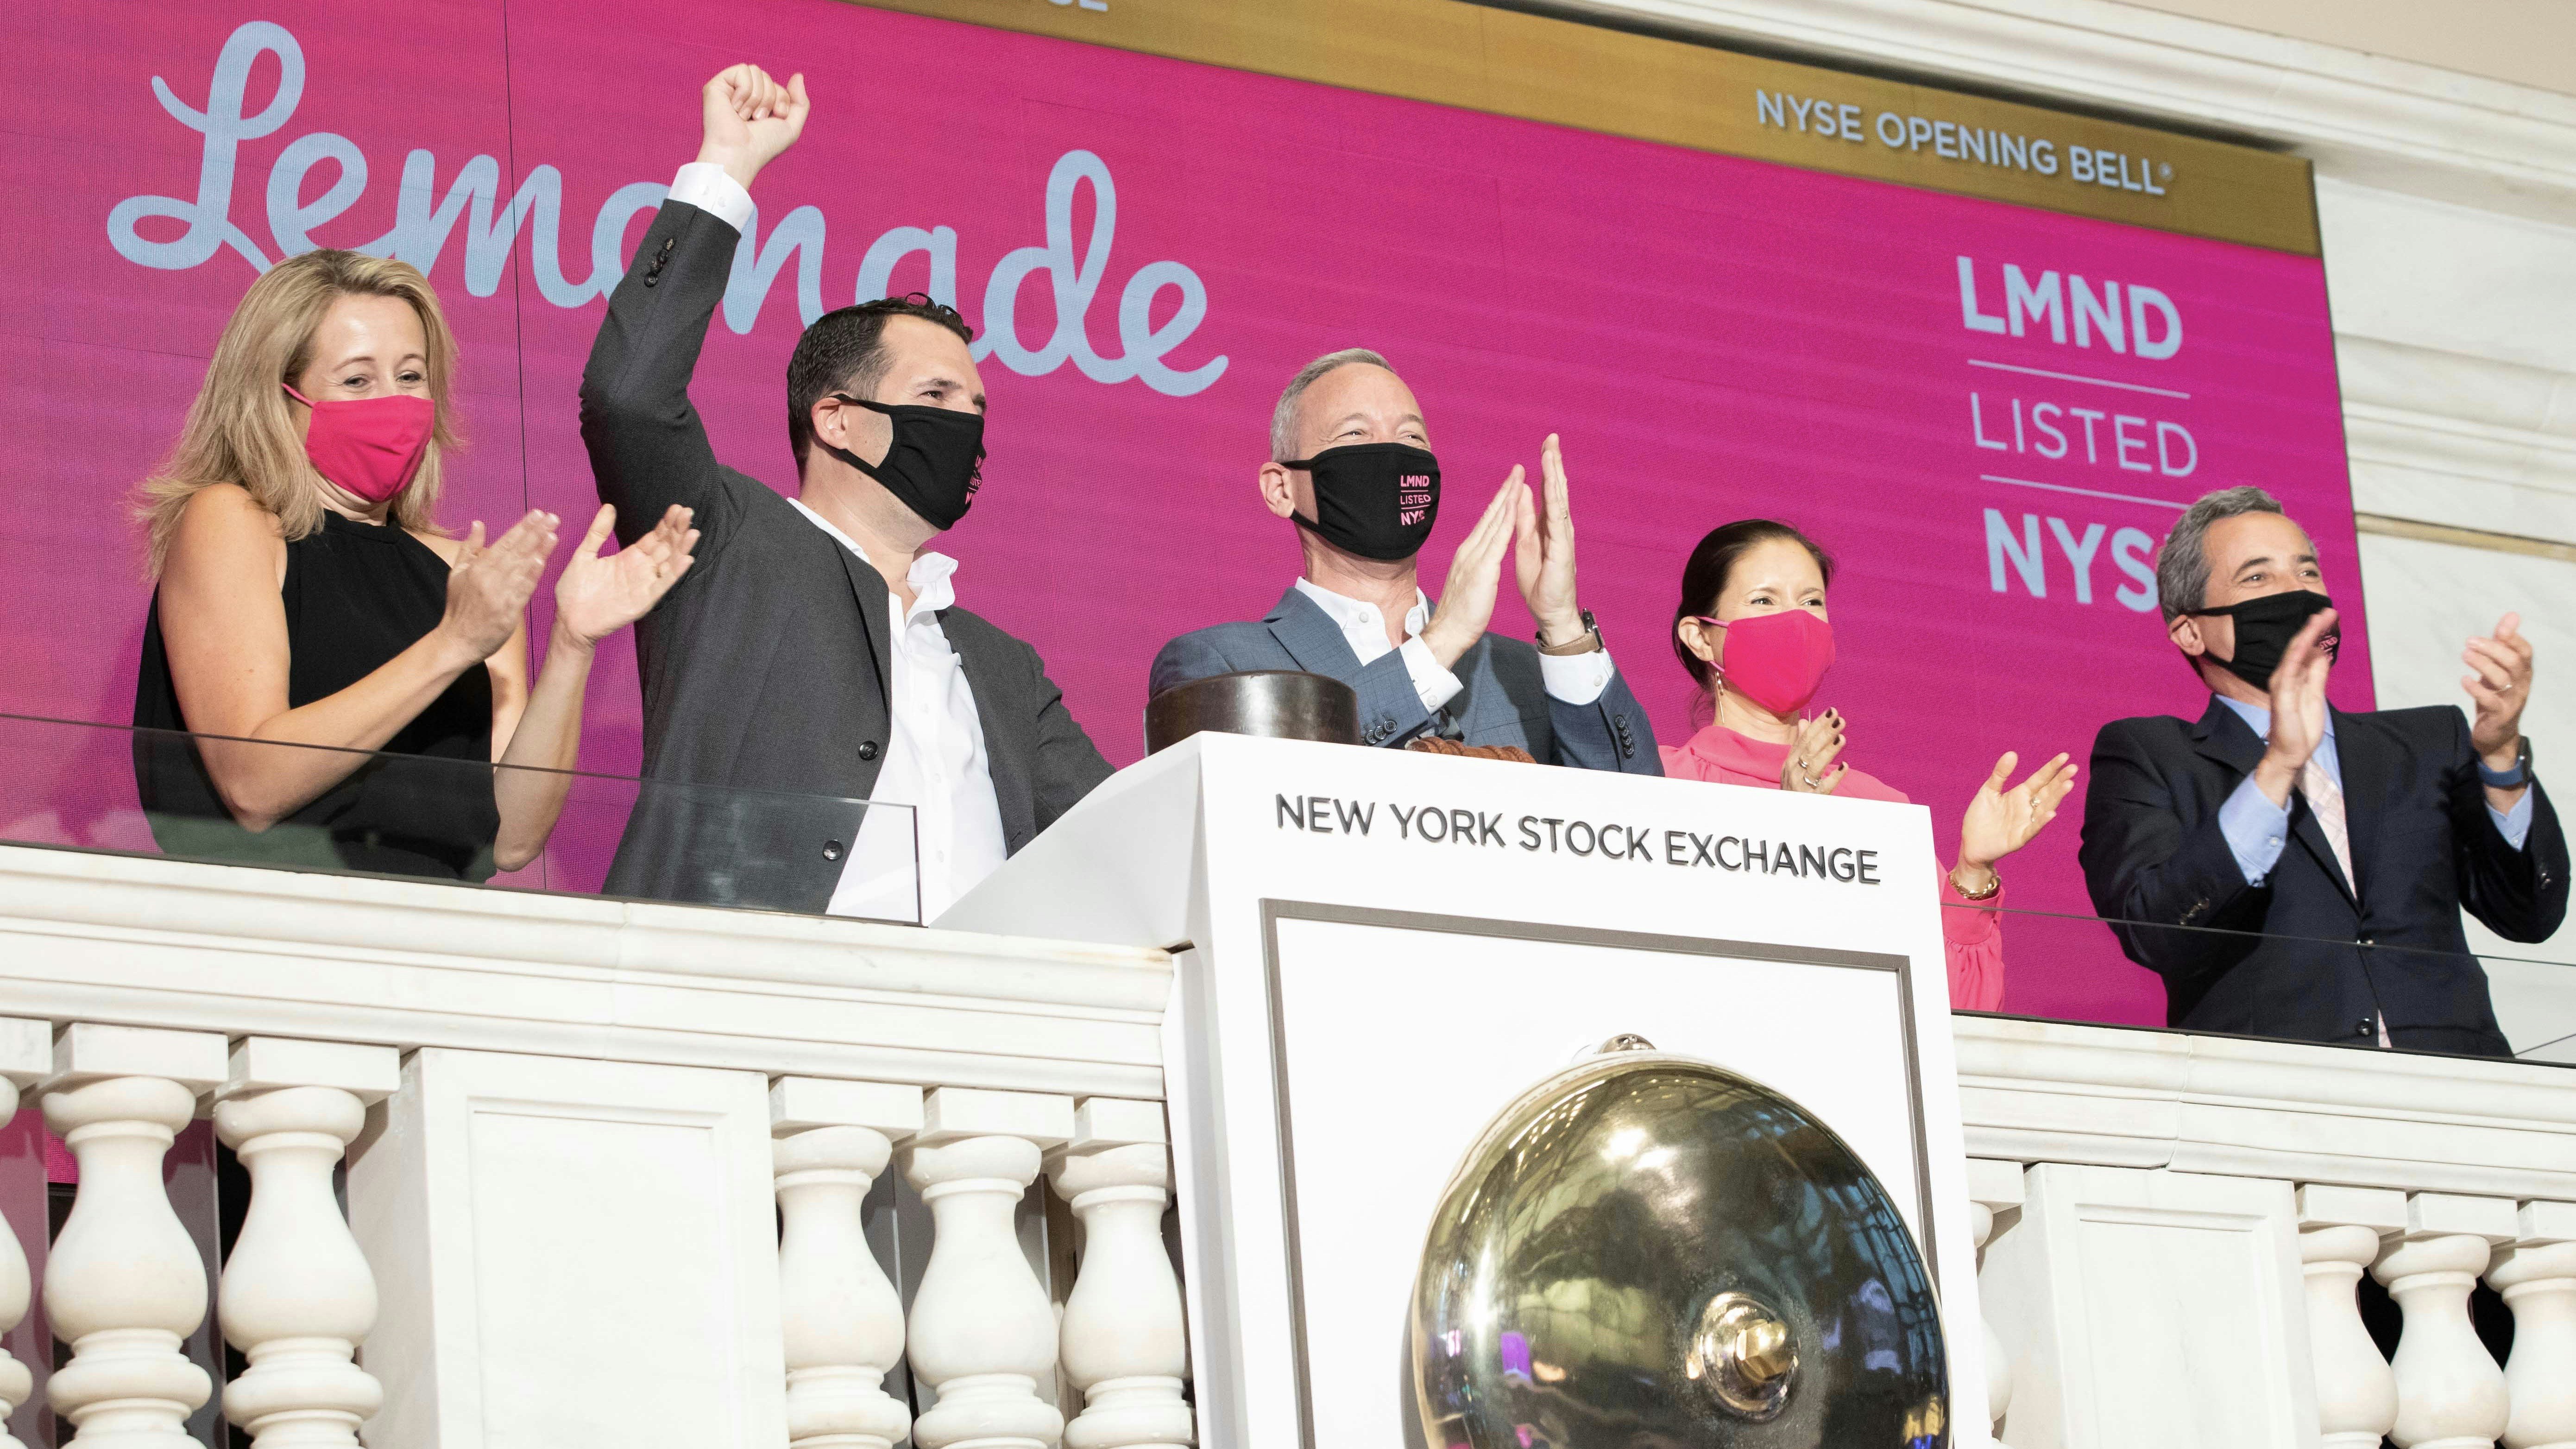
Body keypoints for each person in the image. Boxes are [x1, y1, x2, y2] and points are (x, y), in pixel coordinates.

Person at [582, 65, 1111, 917]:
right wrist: (727, 168)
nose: (966, 425)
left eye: (977, 408)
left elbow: (1118, 838)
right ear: (834, 418)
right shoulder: (723, 546)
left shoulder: (1004, 667)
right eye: (936, 396)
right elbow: (630, 396)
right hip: (757, 986)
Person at [133, 249, 698, 881]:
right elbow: (254, 784)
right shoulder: (230, 519)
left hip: (435, 927)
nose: (394, 402)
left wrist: (573, 642)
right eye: (356, 381)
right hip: (274, 918)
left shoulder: (464, 573)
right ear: (277, 397)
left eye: (410, 376)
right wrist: (451, 645)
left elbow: (510, 840)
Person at [2078, 486, 2566, 1054]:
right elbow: (2154, 931)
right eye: (2257, 577)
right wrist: (2277, 767)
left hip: (2458, 1080)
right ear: (2191, 631)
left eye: (2307, 571)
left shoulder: (2429, 741)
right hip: (2275, 1085)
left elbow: (2529, 914)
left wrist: (2501, 759)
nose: (2296, 592)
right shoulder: (2148, 754)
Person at [1151, 349, 1657, 771]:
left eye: (1411, 437)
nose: (1390, 455)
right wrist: (1439, 644)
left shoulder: (1520, 672)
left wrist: (1563, 628)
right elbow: (1255, 797)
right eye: (1355, 435)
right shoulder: (1218, 664)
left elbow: (1638, 814)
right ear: (1281, 489)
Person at [1663, 520, 2078, 1011]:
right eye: (1763, 601)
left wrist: (1972, 870)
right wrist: (1786, 826)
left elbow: (1962, 1010)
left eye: (1811, 602)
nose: (1795, 621)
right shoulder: (1661, 783)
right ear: (1699, 637)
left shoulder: (1878, 807)